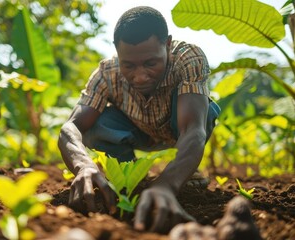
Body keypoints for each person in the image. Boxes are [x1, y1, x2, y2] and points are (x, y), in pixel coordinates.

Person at [58, 6, 221, 233]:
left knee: (206, 112)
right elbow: (71, 127)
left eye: (150, 63)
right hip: (133, 132)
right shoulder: (106, 73)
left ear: (167, 45)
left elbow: (193, 129)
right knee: (94, 125)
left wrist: (166, 186)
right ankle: (130, 178)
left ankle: (180, 171)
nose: (140, 76)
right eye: (129, 65)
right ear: (117, 52)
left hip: (178, 129)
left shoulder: (187, 58)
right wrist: (83, 165)